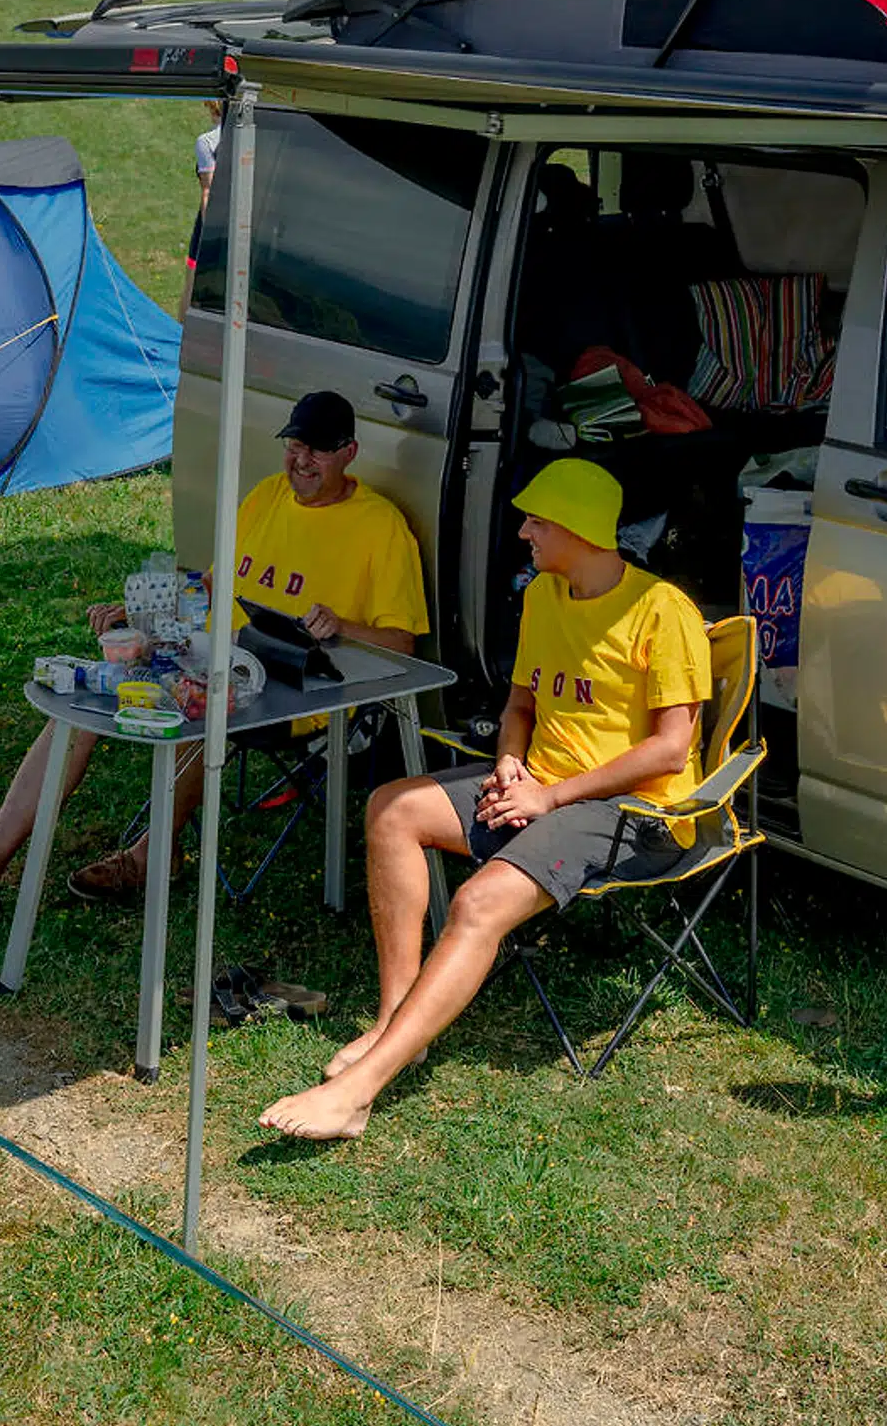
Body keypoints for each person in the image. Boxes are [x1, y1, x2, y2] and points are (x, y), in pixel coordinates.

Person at [258, 456, 712, 1141]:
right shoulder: (542, 597)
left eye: (536, 520)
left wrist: (552, 796)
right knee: (391, 808)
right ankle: (395, 1024)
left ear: (579, 528)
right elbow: (521, 704)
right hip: (539, 784)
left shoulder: (661, 610)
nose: (523, 531)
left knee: (476, 903)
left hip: (632, 811)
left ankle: (358, 1091)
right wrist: (508, 763)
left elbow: (671, 750)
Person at [0, 392, 427, 918]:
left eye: (318, 450)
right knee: (86, 702)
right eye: (294, 446)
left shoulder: (380, 528)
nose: (301, 461)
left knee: (202, 706)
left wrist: (344, 626)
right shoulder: (266, 496)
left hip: (294, 690)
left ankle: (149, 857)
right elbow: (210, 585)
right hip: (202, 657)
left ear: (349, 452)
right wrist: (141, 608)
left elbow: (404, 645)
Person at [178, 99, 223, 321]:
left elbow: (208, 193)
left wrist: (210, 239)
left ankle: (180, 336)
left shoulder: (207, 142)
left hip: (212, 227)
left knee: (192, 284)